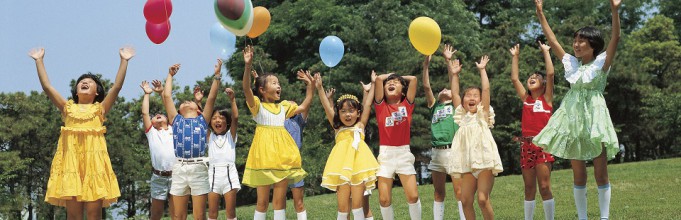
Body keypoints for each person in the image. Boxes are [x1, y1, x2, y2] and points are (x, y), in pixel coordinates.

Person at [533, 0, 621, 219]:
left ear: (593, 44)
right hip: (572, 120)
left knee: (601, 173)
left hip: (594, 119)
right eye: (575, 40)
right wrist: (540, 12)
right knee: (578, 174)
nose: (576, 44)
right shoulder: (572, 64)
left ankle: (604, 217)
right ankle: (582, 217)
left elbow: (615, 38)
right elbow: (552, 40)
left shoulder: (602, 63)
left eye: (582, 41)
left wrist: (614, 10)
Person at [30, 46, 135, 219]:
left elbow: (116, 87)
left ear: (97, 92)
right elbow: (47, 87)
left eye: (90, 82)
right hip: (71, 165)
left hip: (94, 165)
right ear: (76, 90)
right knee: (73, 215)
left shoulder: (99, 109)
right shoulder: (67, 107)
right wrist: (39, 61)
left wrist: (124, 61)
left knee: (94, 214)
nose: (84, 82)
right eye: (81, 81)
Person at [240, 45, 315, 220]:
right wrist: (247, 66)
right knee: (262, 202)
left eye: (278, 83)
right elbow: (246, 89)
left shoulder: (283, 107)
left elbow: (304, 105)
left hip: (282, 158)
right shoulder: (257, 107)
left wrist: (310, 86)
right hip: (264, 158)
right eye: (274, 83)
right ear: (262, 90)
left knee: (279, 201)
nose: (278, 86)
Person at [315, 72, 380, 220]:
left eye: (351, 111)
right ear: (338, 113)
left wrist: (374, 84)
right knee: (343, 208)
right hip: (341, 167)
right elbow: (326, 106)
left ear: (358, 113)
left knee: (358, 206)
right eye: (343, 111)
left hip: (359, 167)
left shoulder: (360, 124)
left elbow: (368, 104)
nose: (347, 115)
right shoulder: (337, 127)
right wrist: (319, 88)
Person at [162, 60, 221, 220]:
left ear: (197, 109)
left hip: (199, 167)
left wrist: (217, 76)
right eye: (184, 102)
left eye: (191, 101)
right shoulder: (176, 119)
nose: (187, 101)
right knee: (178, 216)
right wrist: (170, 75)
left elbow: (212, 97)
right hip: (179, 167)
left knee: (200, 215)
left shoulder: (203, 120)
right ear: (179, 110)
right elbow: (167, 95)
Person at [448, 55, 503, 220]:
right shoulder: (461, 116)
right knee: (465, 201)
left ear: (480, 101)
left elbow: (486, 90)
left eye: (475, 95)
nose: (471, 98)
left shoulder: (482, 114)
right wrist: (455, 74)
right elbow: (455, 93)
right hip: (468, 165)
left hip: (484, 163)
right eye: (468, 95)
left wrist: (482, 70)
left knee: (482, 199)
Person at [509, 42, 556, 220]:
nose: (532, 77)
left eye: (537, 76)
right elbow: (514, 79)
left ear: (543, 84)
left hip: (543, 146)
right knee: (529, 188)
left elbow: (550, 73)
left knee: (544, 187)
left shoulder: (547, 99)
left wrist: (546, 52)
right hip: (526, 146)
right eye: (531, 76)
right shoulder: (526, 99)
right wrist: (515, 57)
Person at [422, 45, 465, 220]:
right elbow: (426, 86)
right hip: (437, 153)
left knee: (459, 191)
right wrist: (426, 64)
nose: (444, 89)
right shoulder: (435, 106)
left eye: (447, 89)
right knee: (439, 193)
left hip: (453, 150)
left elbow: (453, 84)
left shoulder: (456, 106)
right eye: (442, 90)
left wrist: (448, 60)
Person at [373, 70, 421, 220]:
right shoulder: (381, 106)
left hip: (403, 153)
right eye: (388, 82)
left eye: (396, 82)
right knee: (384, 199)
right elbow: (379, 79)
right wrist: (390, 76)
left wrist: (398, 77)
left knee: (413, 196)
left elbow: (413, 79)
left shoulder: (407, 104)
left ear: (403, 90)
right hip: (386, 154)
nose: (391, 83)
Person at [140, 80, 176, 220]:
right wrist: (147, 94)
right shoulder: (152, 133)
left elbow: (169, 107)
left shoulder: (174, 129)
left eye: (161, 114)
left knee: (176, 214)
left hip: (176, 175)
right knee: (155, 214)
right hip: (158, 177)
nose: (158, 115)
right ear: (152, 123)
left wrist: (161, 92)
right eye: (155, 116)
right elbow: (145, 113)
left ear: (168, 119)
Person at [206, 88, 239, 220]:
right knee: (212, 213)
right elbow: (202, 119)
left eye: (221, 117)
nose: (217, 120)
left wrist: (232, 100)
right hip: (212, 174)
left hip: (229, 173)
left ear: (227, 121)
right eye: (214, 118)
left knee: (230, 213)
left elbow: (235, 117)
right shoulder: (209, 136)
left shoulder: (231, 136)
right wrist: (198, 102)